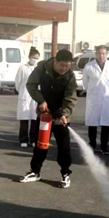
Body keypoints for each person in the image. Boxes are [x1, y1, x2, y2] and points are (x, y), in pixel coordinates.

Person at [20, 49, 77, 188]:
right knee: (41, 144)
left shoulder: (70, 76)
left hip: (61, 115)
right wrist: (41, 100)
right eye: (62, 65)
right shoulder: (43, 68)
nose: (64, 68)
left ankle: (65, 174)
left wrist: (64, 114)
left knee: (64, 146)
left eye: (67, 66)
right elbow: (31, 85)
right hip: (44, 114)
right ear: (55, 61)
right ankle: (35, 171)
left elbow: (70, 97)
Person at [82, 45, 109, 155]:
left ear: (106, 54)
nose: (101, 56)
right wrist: (93, 91)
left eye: (103, 53)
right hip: (94, 98)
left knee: (106, 124)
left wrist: (107, 90)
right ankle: (92, 143)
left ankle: (104, 146)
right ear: (96, 54)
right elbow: (85, 83)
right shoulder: (89, 66)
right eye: (99, 53)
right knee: (92, 123)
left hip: (107, 98)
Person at [15, 47, 40, 148]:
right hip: (25, 95)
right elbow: (18, 82)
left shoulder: (38, 69)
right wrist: (22, 91)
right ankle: (23, 140)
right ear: (29, 57)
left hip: (35, 96)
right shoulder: (22, 68)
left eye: (37, 58)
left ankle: (33, 139)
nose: (35, 60)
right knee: (24, 119)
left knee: (34, 119)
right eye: (34, 57)